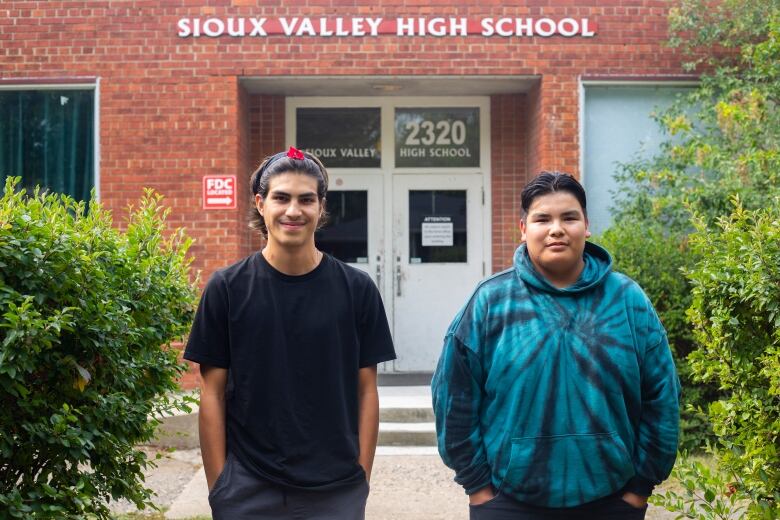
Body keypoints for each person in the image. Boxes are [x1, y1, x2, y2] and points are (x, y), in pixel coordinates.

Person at [431, 171, 680, 519]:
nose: (556, 229)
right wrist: (478, 488)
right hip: (507, 503)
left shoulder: (628, 301)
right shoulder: (490, 303)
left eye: (569, 217)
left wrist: (640, 488)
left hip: (612, 500)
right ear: (523, 229)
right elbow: (453, 400)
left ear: (587, 225)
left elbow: (662, 398)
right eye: (542, 219)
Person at [184, 146, 396, 520]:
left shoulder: (357, 289)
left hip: (336, 489)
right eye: (281, 197)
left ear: (321, 207)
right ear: (261, 203)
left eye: (306, 199)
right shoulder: (227, 289)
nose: (294, 210)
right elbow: (212, 393)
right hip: (248, 488)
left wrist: (361, 480)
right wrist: (221, 489)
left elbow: (367, 391)